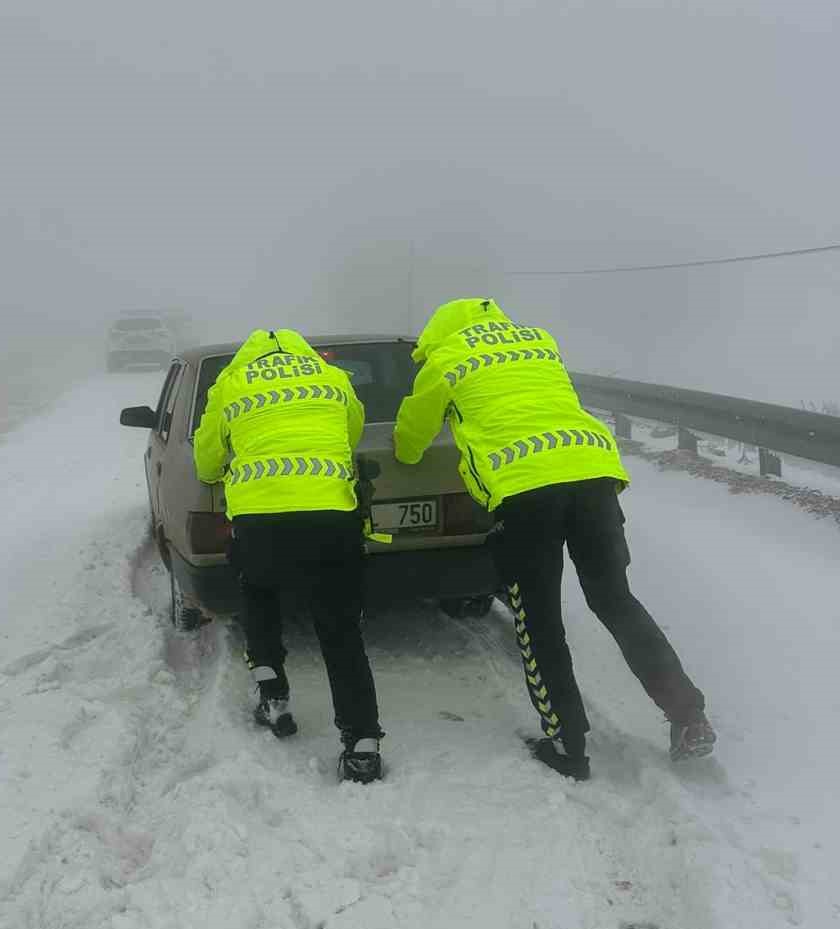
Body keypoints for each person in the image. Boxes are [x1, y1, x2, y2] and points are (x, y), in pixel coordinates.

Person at [393, 298, 715, 780]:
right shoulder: (538, 342)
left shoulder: (444, 359)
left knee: (538, 619)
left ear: (438, 333)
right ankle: (689, 717)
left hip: (525, 495)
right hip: (593, 478)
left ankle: (568, 743)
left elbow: (411, 439)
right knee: (615, 601)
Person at [194, 328, 385, 782]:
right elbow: (352, 431)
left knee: (259, 596)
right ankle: (362, 743)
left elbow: (206, 460)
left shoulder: (232, 382)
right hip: (331, 513)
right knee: (339, 628)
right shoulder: (331, 376)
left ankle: (272, 696)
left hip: (260, 518)